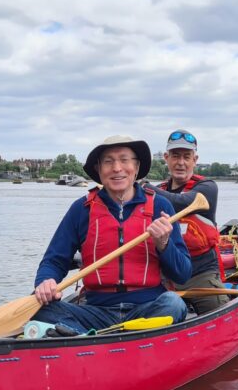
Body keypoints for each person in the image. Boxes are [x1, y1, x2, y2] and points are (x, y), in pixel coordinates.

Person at [33, 135, 191, 335]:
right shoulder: (82, 209)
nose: (117, 168)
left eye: (124, 160)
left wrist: (164, 243)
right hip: (96, 311)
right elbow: (53, 261)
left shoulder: (161, 206)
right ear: (99, 169)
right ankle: (90, 336)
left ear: (136, 167)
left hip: (147, 308)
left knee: (174, 304)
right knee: (40, 306)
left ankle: (87, 337)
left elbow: (183, 274)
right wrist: (45, 281)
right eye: (109, 161)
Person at [142, 129, 227, 314]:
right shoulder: (156, 191)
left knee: (218, 311)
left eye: (186, 157)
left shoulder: (207, 188)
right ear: (166, 158)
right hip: (165, 275)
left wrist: (144, 188)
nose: (181, 162)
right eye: (175, 156)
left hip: (200, 274)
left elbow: (181, 203)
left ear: (195, 160)